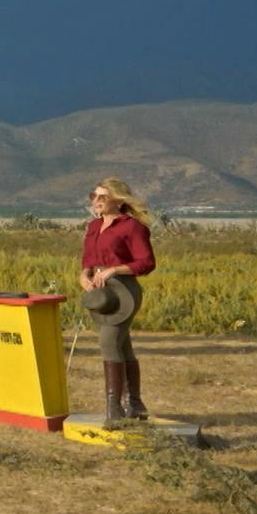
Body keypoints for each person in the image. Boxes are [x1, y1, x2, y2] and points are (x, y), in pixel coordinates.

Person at [80, 177, 157, 424]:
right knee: (123, 346)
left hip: (124, 291)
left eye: (102, 197)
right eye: (94, 196)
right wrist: (84, 277)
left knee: (109, 341)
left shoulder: (132, 227)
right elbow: (87, 262)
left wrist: (114, 270)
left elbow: (146, 262)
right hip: (101, 294)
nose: (96, 201)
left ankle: (114, 409)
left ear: (117, 200)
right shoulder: (93, 226)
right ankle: (134, 404)